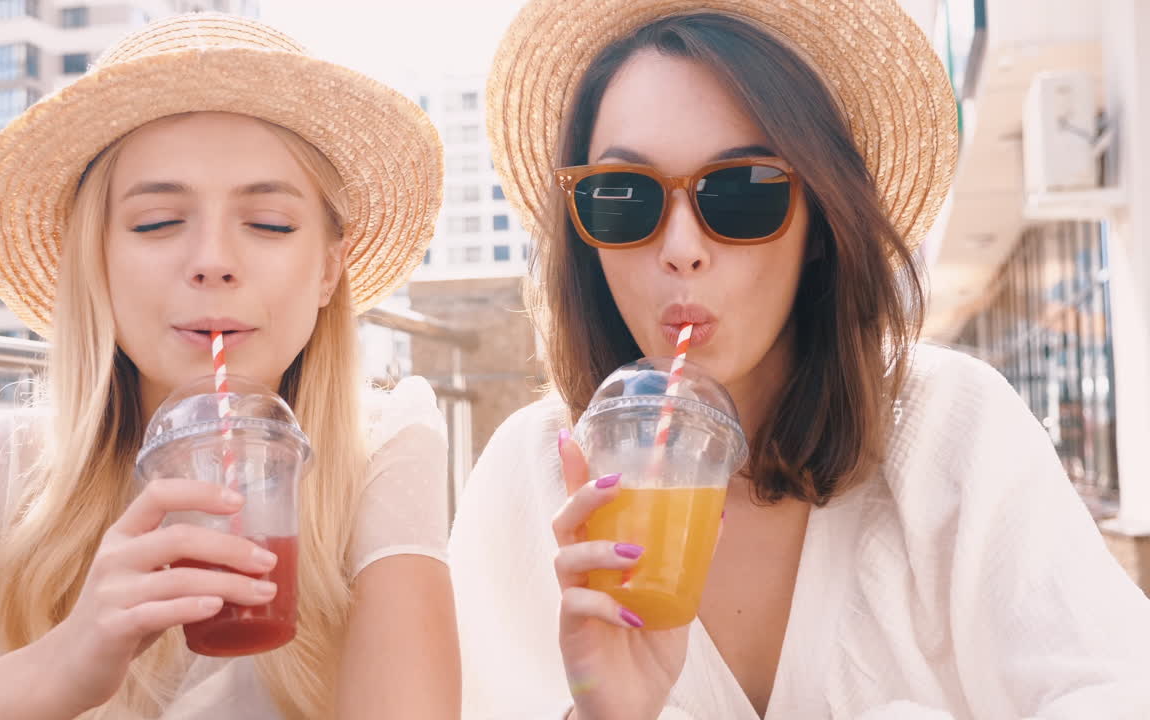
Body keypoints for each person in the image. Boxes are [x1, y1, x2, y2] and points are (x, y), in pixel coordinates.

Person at [449, 1, 1150, 718]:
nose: (681, 247)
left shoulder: (951, 426)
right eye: (624, 199)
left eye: (744, 193)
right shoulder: (530, 478)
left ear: (820, 223)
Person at [0, 13, 458, 720]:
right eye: (156, 223)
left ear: (330, 269)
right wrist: (58, 667)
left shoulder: (385, 449)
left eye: (269, 223)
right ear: (98, 260)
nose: (213, 261)